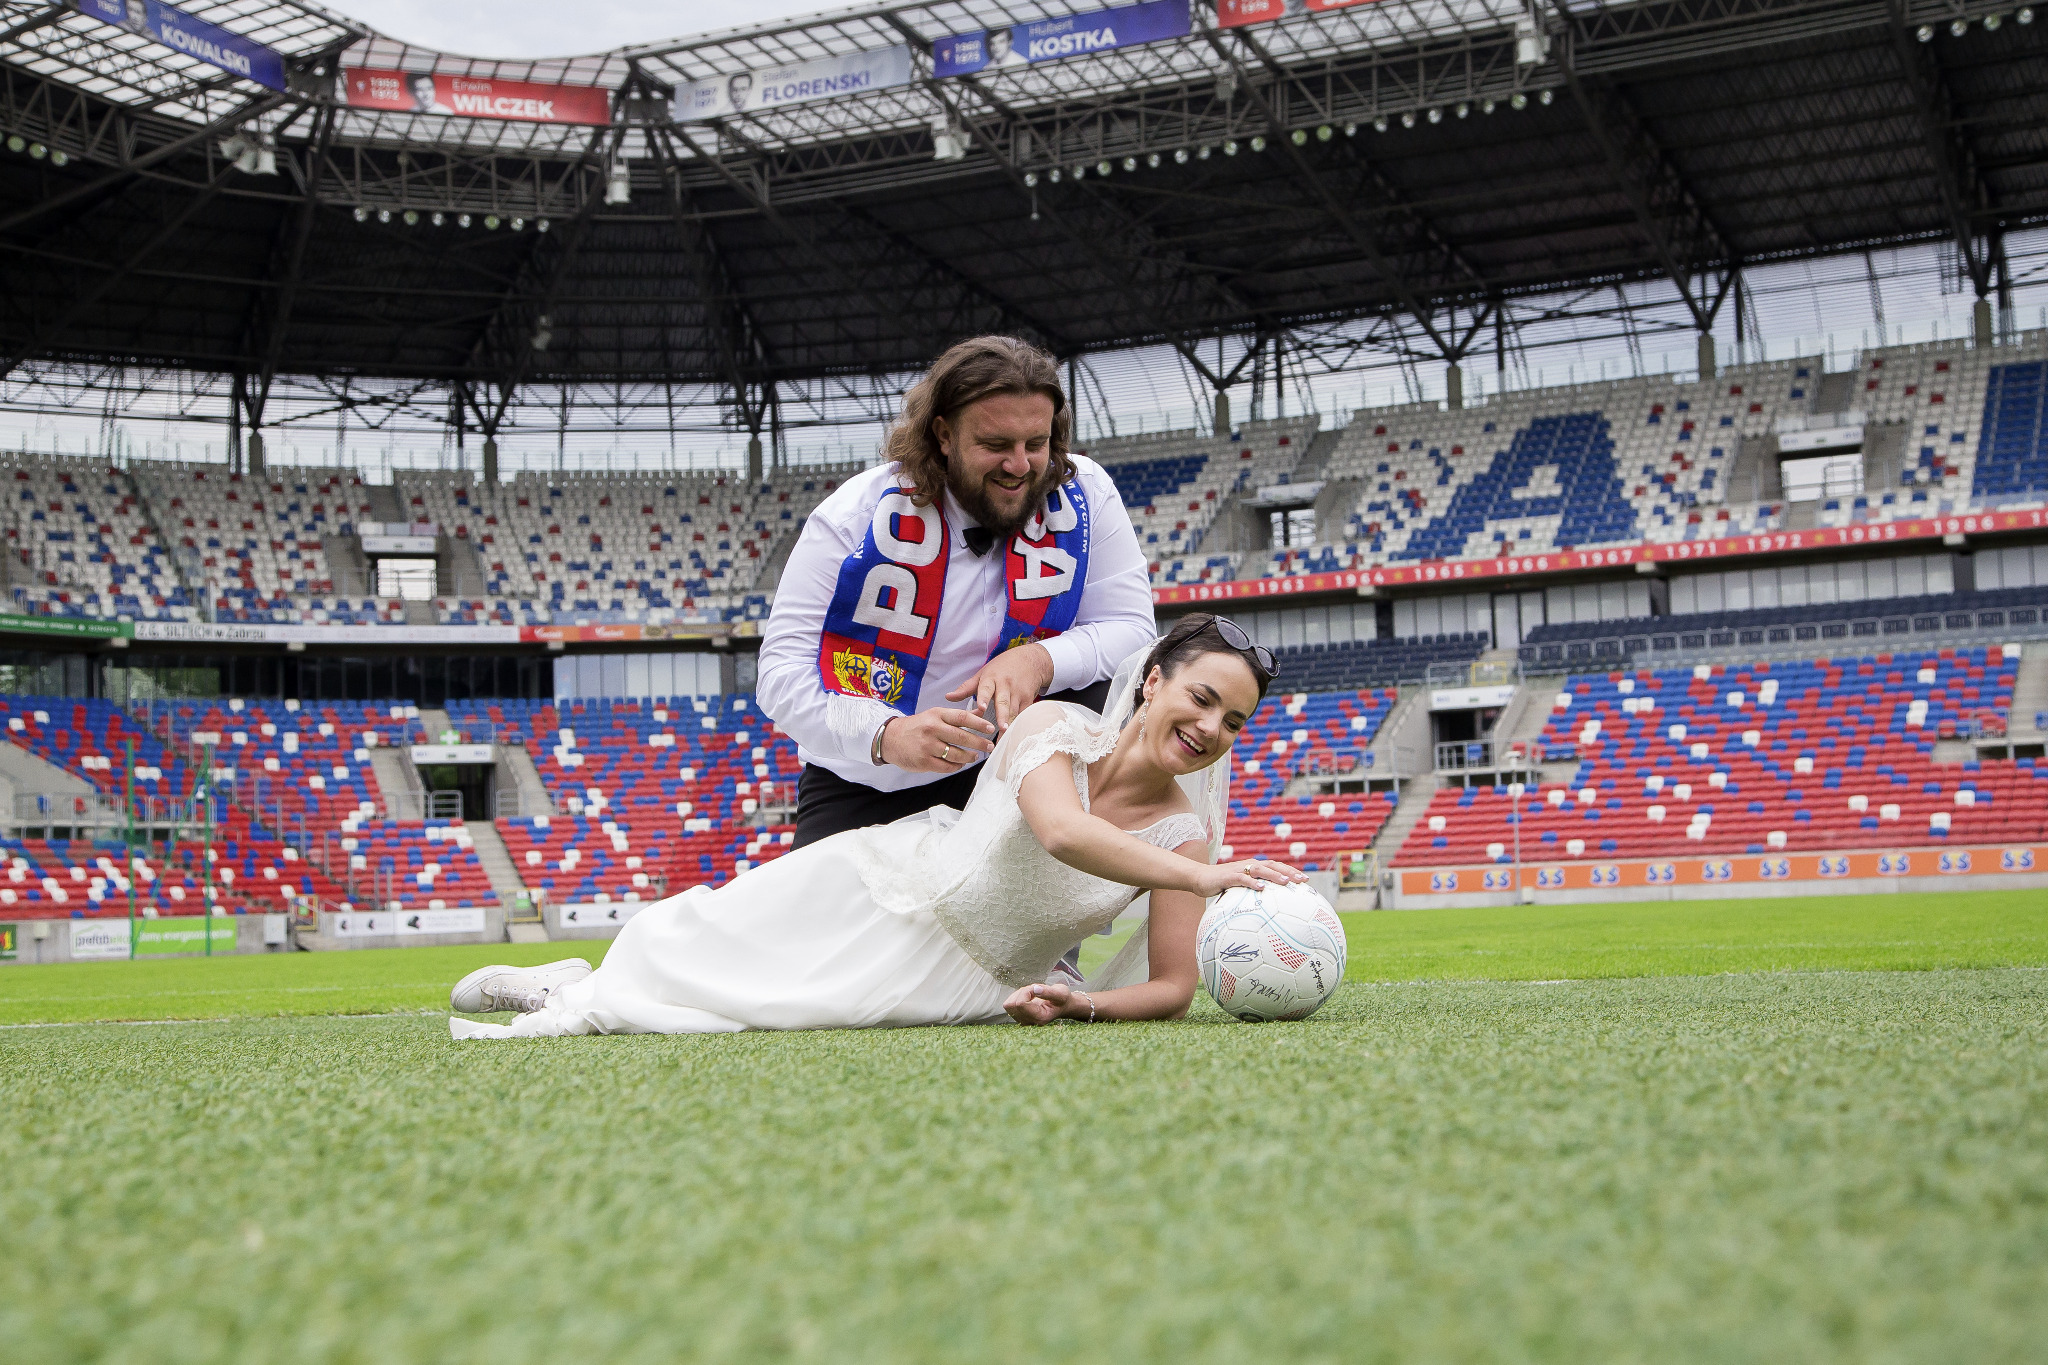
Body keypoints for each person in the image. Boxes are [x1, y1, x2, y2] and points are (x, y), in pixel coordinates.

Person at [449, 615, 1301, 1039]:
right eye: (1202, 697)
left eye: (1234, 722)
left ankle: (579, 998)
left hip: (966, 981)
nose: (1211, 729)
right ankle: (576, 980)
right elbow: (1061, 832)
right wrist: (1200, 878)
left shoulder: (1185, 837)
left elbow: (1172, 988)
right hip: (888, 879)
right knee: (685, 937)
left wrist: (1084, 1002)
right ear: (1152, 682)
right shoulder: (1053, 726)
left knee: (750, 1015)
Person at [756, 335, 1154, 852]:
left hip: (1012, 770)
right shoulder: (853, 518)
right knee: (817, 932)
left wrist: (1040, 660)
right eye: (994, 445)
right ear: (943, 434)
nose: (1019, 465)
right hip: (868, 778)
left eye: (1036, 444)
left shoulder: (1087, 494)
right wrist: (887, 735)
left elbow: (1133, 630)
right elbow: (781, 673)